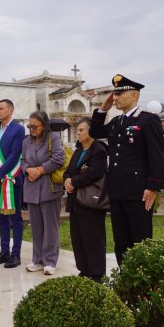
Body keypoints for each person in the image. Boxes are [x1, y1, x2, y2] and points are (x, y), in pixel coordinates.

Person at [90, 74, 164, 266]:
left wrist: (153, 187)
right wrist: (103, 109)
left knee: (140, 240)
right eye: (114, 94)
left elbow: (157, 156)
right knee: (121, 241)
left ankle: (142, 282)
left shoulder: (148, 120)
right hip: (117, 191)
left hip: (138, 192)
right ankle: (125, 280)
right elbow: (95, 132)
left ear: (134, 95)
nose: (115, 97)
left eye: (119, 94)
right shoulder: (116, 122)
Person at [64, 118, 108, 282]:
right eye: (78, 130)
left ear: (91, 132)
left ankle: (96, 274)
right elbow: (69, 171)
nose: (78, 132)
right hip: (75, 201)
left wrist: (73, 181)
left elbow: (95, 172)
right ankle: (84, 269)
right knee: (78, 238)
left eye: (82, 129)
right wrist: (67, 180)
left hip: (91, 203)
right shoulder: (78, 150)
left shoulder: (99, 150)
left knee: (93, 239)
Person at [21, 111, 65, 275]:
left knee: (50, 227)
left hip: (49, 188)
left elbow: (59, 158)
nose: (32, 129)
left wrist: (39, 170)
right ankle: (37, 259)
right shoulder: (26, 141)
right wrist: (28, 170)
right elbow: (22, 161)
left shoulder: (52, 138)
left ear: (44, 126)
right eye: (29, 126)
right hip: (31, 188)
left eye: (35, 126)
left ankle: (50, 261)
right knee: (36, 227)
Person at [0, 99, 26, 269]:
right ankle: (4, 251)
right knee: (1, 217)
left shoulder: (18, 129)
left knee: (15, 218)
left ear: (10, 110)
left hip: (12, 181)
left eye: (1, 108)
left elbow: (14, 155)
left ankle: (15, 253)